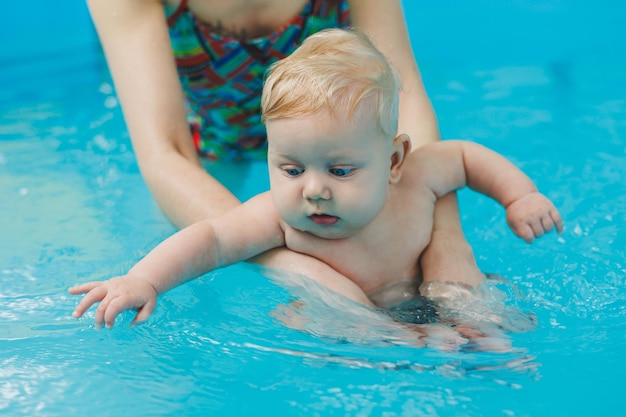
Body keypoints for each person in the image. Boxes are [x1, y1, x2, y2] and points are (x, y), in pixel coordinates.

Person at [70, 29, 563, 328]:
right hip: (356, 324)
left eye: (341, 169)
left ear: (394, 160)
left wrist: (519, 196)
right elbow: (213, 239)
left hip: (428, 294)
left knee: (495, 320)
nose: (313, 189)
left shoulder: (415, 179)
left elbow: (465, 156)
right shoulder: (283, 221)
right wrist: (143, 279)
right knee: (318, 327)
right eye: (291, 168)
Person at [85, 0, 487, 305]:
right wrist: (294, 264)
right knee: (204, 283)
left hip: (351, 136)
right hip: (212, 142)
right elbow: (166, 152)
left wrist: (446, 239)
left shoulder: (385, 155)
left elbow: (406, 96)